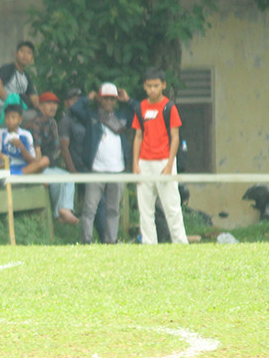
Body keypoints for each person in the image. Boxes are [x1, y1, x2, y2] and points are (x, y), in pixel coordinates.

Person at [71, 82, 138, 244]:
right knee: (90, 208)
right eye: (105, 99)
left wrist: (128, 100)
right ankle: (87, 241)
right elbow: (74, 109)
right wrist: (88, 98)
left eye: (112, 99)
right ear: (100, 100)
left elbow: (141, 113)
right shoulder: (92, 116)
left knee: (113, 209)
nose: (109, 102)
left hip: (118, 169)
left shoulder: (122, 116)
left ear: (116, 100)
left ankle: (111, 240)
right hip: (97, 169)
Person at [132, 67, 188, 245]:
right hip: (144, 163)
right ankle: (149, 245)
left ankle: (180, 244)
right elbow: (138, 136)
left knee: (172, 206)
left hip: (164, 160)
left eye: (156, 86)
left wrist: (170, 164)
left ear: (163, 85)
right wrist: (135, 163)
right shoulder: (140, 108)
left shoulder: (169, 107)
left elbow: (175, 137)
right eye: (149, 86)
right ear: (144, 86)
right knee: (145, 208)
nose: (152, 90)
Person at [26, 91, 77, 224]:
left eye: (55, 104)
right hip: (36, 166)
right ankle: (60, 213)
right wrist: (39, 173)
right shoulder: (36, 122)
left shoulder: (53, 122)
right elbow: (36, 149)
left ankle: (64, 210)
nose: (53, 107)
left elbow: (56, 146)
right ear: (41, 106)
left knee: (69, 177)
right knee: (57, 179)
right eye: (49, 103)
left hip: (49, 164)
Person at [0, 41, 38, 122]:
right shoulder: (8, 69)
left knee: (41, 116)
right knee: (34, 118)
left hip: (18, 111)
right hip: (1, 110)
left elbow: (34, 99)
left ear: (32, 58)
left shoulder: (26, 76)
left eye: (29, 53)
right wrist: (10, 101)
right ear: (16, 54)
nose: (25, 55)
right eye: (22, 51)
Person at [0, 103, 48, 175]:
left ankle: (18, 174)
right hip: (6, 166)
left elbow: (32, 161)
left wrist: (21, 147)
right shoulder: (1, 134)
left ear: (20, 119)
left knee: (45, 161)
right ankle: (16, 175)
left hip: (24, 167)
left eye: (13, 117)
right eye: (7, 118)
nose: (10, 121)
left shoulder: (26, 135)